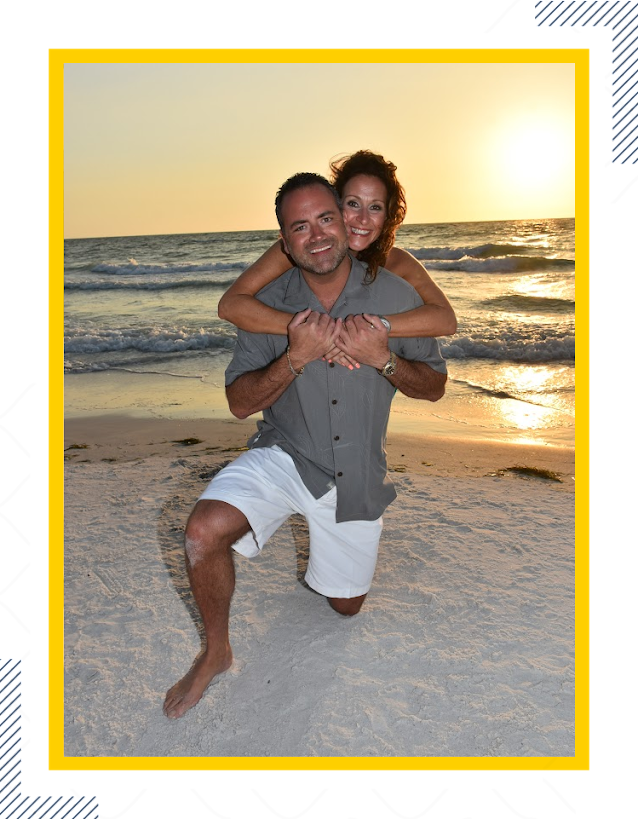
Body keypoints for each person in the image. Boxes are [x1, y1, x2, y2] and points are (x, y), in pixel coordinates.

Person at [163, 172, 447, 720]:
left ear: (347, 224)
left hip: (355, 475)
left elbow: (434, 386)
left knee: (345, 606)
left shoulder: (396, 296)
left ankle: (328, 558)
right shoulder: (267, 305)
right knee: (202, 531)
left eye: (325, 219)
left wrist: (382, 358)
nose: (316, 235)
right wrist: (295, 355)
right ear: (284, 241)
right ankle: (215, 651)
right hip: (284, 455)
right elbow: (240, 403)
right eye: (299, 226)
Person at [217, 150, 457, 358]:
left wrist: (373, 327)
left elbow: (445, 320)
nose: (363, 219)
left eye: (375, 207)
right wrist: (312, 331)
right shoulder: (297, 250)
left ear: (386, 217)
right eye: (353, 203)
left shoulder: (397, 262)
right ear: (335, 204)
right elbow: (230, 305)